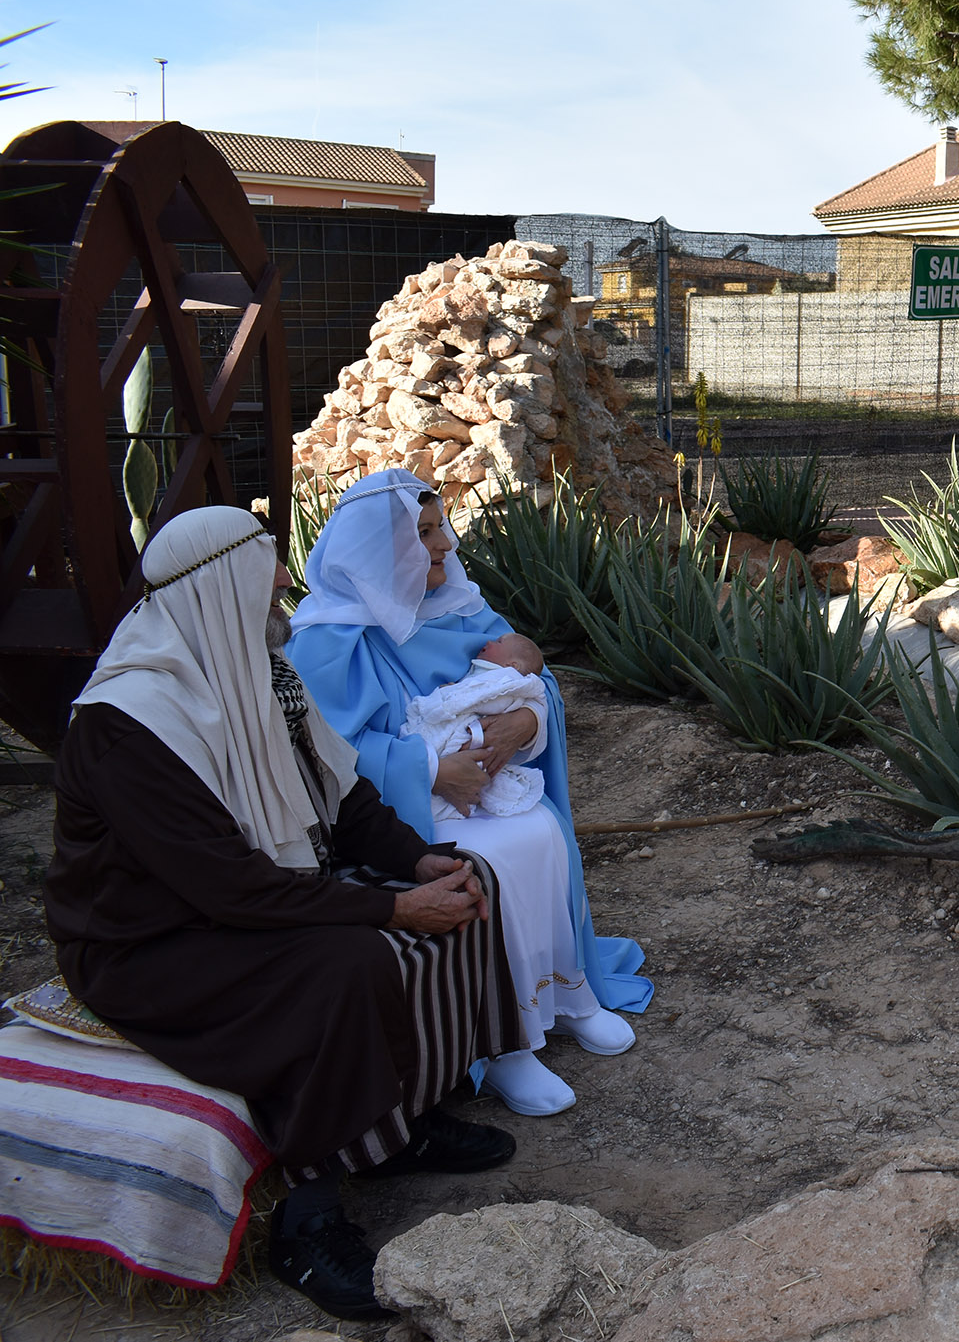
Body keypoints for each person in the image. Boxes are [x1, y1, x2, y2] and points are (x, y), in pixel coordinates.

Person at [45, 506, 523, 1321]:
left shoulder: (261, 674)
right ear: (216, 592)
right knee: (345, 965)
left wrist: (416, 862)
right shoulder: (127, 725)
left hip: (253, 894)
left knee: (468, 880)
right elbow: (228, 888)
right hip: (147, 943)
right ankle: (308, 1220)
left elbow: (344, 794)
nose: (281, 592)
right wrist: (391, 907)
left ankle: (399, 1125)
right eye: (264, 581)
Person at [287, 469, 649, 1121]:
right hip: (403, 814)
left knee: (540, 831)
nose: (445, 545)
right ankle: (505, 1043)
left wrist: (526, 721)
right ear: (378, 551)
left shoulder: (460, 605)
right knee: (495, 857)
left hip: (485, 786)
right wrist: (430, 768)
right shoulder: (324, 639)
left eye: (441, 528)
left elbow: (530, 676)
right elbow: (331, 748)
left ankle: (568, 995)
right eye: (424, 533)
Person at [403, 633, 551, 823]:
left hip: (464, 737)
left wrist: (529, 717)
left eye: (498, 642)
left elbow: (532, 686)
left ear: (512, 666)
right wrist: (433, 771)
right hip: (414, 763)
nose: (488, 641)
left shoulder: (505, 676)